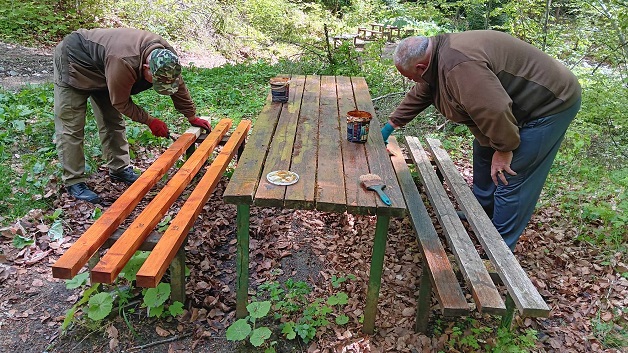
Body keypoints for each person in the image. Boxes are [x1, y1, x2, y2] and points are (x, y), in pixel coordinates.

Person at [381, 30, 581, 251]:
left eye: (410, 76)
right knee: (484, 154)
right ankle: (481, 215)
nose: (411, 81)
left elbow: (494, 110)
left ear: (420, 67)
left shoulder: (460, 65)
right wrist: (392, 124)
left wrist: (505, 150)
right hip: (510, 108)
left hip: (549, 105)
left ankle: (500, 249)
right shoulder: (438, 57)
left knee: (510, 175)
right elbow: (423, 91)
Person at [53, 27, 212, 204]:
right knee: (71, 125)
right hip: (75, 60)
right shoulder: (123, 61)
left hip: (104, 66)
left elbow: (177, 85)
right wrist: (149, 120)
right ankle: (74, 181)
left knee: (112, 121)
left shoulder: (167, 58)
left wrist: (191, 116)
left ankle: (119, 168)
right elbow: (121, 102)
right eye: (156, 81)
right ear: (146, 68)